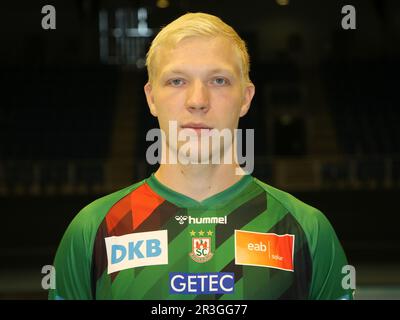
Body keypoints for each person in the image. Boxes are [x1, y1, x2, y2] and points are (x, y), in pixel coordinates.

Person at [49, 12, 354, 300]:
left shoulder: (308, 228)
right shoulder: (92, 229)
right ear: (151, 97)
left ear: (245, 98)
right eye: (177, 81)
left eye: (218, 80)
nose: (198, 101)